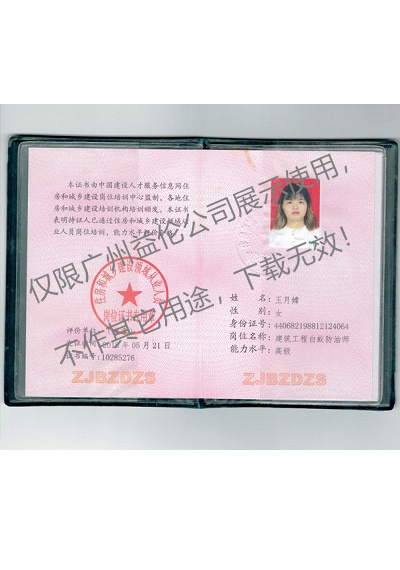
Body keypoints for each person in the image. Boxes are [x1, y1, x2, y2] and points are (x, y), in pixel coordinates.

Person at [269, 183, 320, 248]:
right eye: (290, 202)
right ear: (282, 206)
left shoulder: (318, 235)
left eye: (300, 202)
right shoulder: (272, 236)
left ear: (307, 205)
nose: (295, 207)